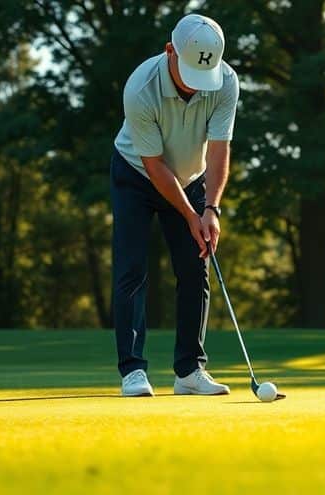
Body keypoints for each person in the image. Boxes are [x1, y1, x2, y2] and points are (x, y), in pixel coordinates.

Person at [110, 14, 239, 397]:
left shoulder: (225, 82)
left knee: (196, 267)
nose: (196, 85)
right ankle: (132, 370)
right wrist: (189, 215)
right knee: (132, 268)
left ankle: (189, 371)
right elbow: (154, 166)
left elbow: (218, 151)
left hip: (192, 177)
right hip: (136, 174)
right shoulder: (140, 87)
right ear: (170, 51)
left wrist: (211, 210)